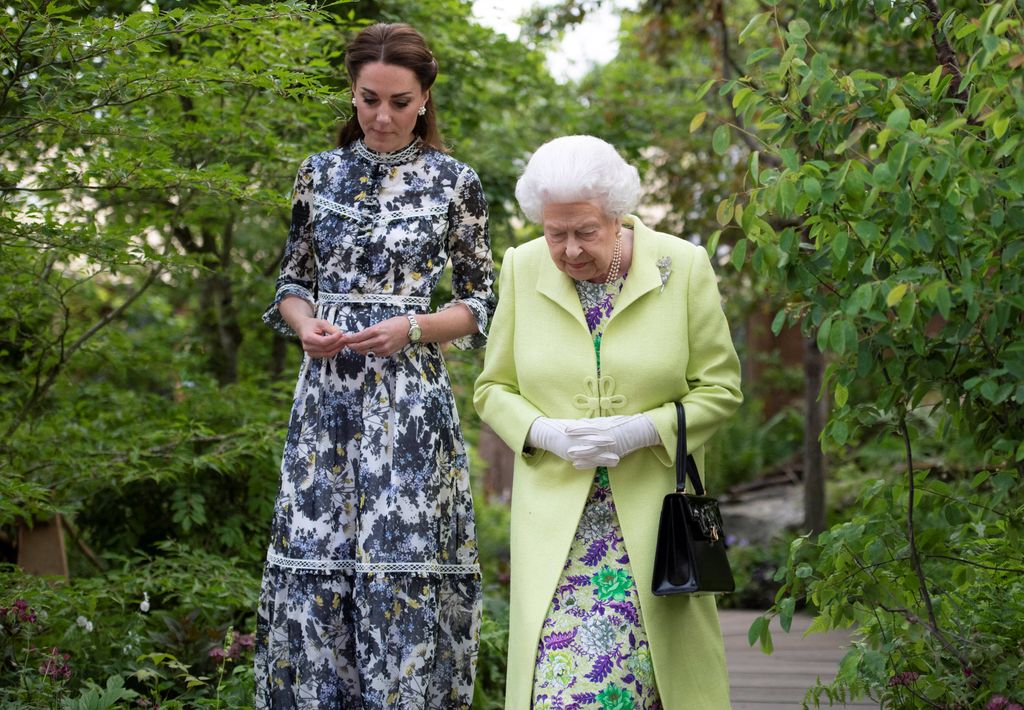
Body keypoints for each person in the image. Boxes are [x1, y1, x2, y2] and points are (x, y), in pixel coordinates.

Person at [254, 23, 495, 709]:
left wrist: (414, 328)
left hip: (410, 407)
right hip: (325, 403)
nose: (382, 116)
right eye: (368, 100)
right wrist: (307, 328)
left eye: (399, 101)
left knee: (400, 567)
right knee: (316, 564)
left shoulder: (456, 183)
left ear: (425, 99)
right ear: (352, 94)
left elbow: (480, 302)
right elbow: (291, 286)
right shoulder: (316, 174)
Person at [474, 135, 742, 709]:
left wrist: (642, 430)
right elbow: (493, 388)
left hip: (652, 531)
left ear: (617, 217)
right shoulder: (521, 268)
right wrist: (543, 432)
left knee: (618, 691)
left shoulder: (682, 265)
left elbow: (721, 390)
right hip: (556, 531)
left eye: (585, 232)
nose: (569, 250)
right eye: (555, 233)